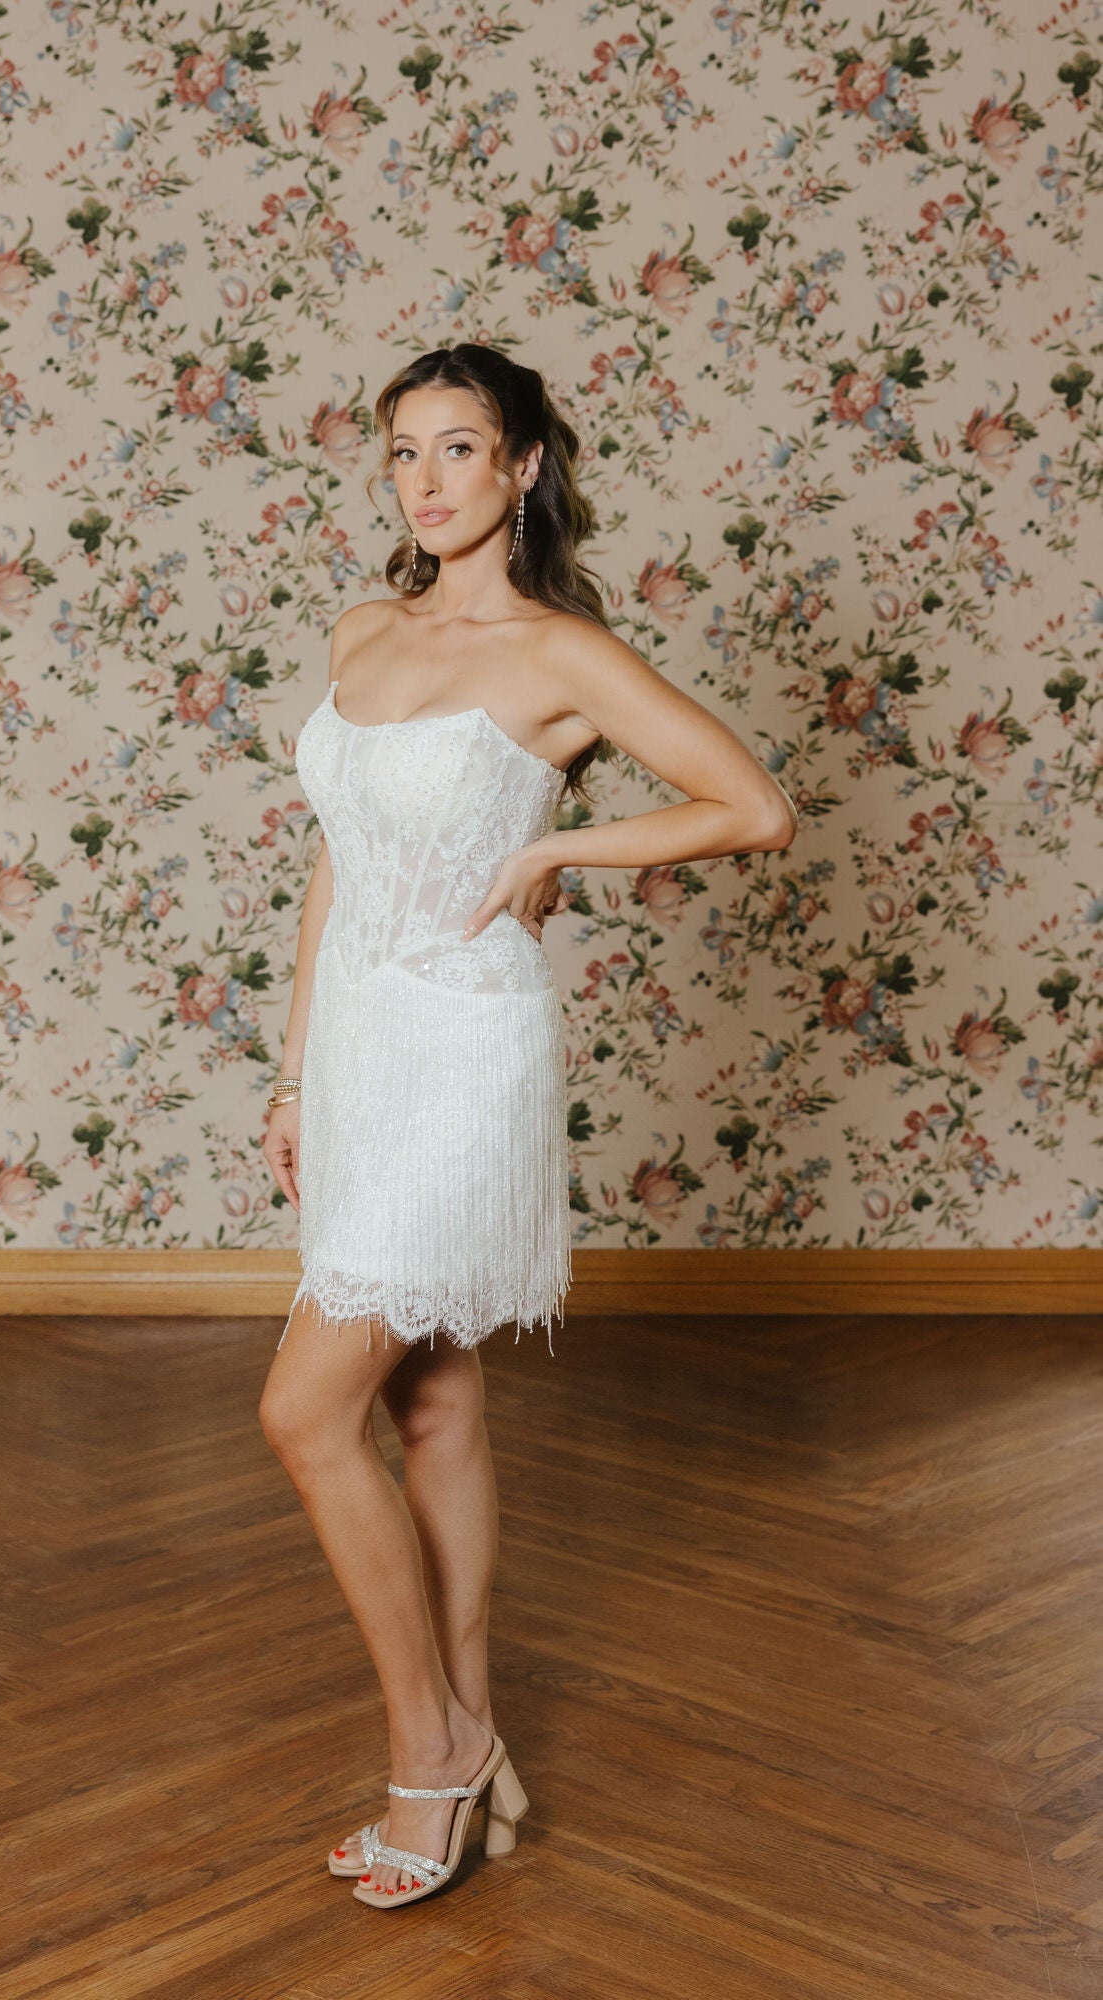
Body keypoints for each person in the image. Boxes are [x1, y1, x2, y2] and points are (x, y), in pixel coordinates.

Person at [258, 342, 797, 1911]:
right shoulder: (365, 631)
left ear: (523, 469)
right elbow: (337, 865)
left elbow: (749, 806)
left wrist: (560, 852)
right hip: (358, 1047)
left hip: (461, 1050)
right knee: (423, 1398)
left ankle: (428, 1752)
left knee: (304, 1413)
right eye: (403, 453)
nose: (425, 481)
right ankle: (479, 1737)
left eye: (458, 450)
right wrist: (294, 1077)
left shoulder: (562, 656)